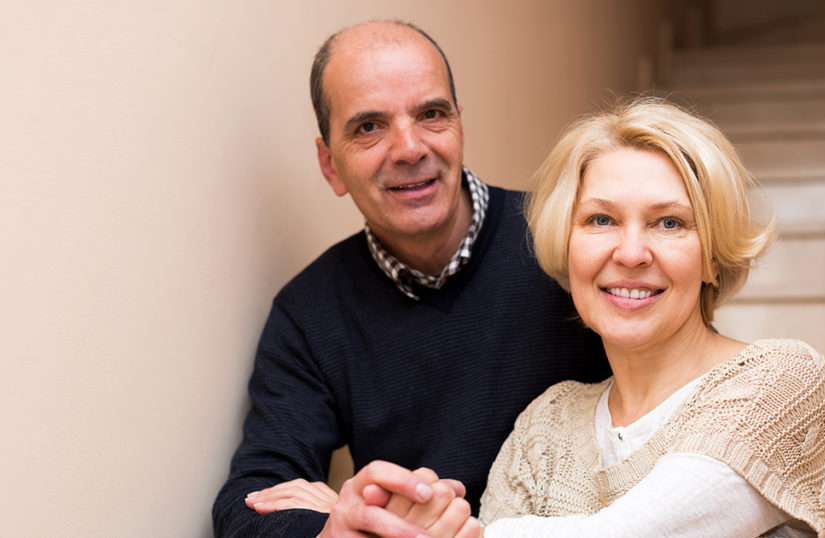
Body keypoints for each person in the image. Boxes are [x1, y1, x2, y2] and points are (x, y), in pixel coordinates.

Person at [211, 20, 608, 538]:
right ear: (330, 165)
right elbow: (249, 500)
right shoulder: (309, 313)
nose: (409, 148)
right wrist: (334, 528)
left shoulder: (566, 244)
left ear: (459, 126)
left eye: (431, 114)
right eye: (369, 127)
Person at [388, 98, 825, 537]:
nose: (630, 254)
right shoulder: (544, 427)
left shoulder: (781, 383)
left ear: (713, 259)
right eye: (601, 220)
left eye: (669, 222)